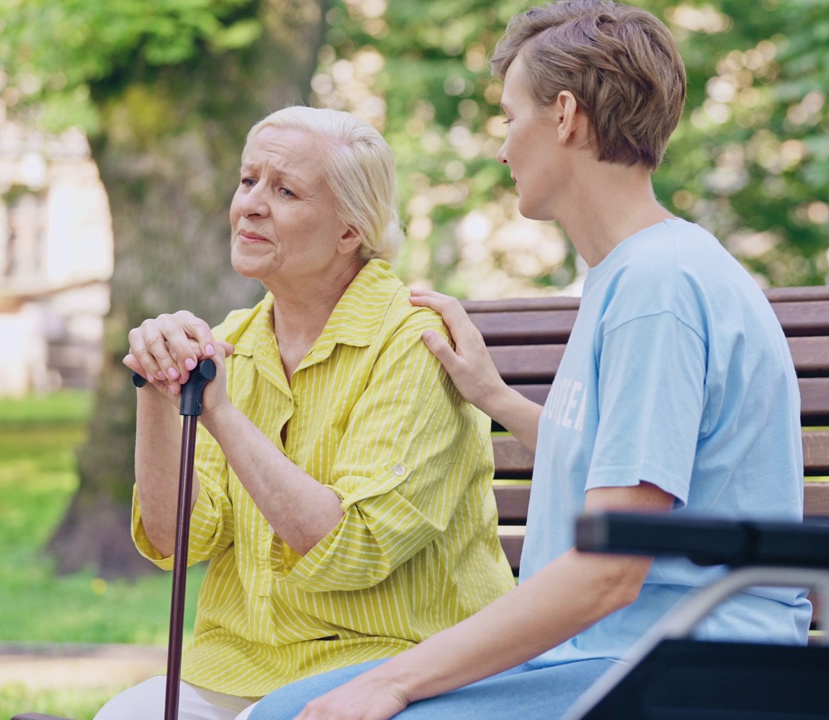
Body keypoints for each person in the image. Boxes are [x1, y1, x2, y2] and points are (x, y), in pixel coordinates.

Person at [247, 2, 811, 719]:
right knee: (283, 709)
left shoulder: (658, 289)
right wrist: (496, 398)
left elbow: (609, 575)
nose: (503, 148)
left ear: (566, 116)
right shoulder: (634, 273)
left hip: (682, 662)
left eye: (510, 118)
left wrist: (393, 680)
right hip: (610, 651)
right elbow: (631, 471)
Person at [96, 106, 516, 720]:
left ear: (350, 230)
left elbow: (352, 545)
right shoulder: (233, 340)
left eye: (285, 189)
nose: (252, 205)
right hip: (241, 663)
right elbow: (177, 540)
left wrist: (219, 414)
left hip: (397, 665)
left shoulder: (413, 342)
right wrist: (157, 393)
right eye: (248, 181)